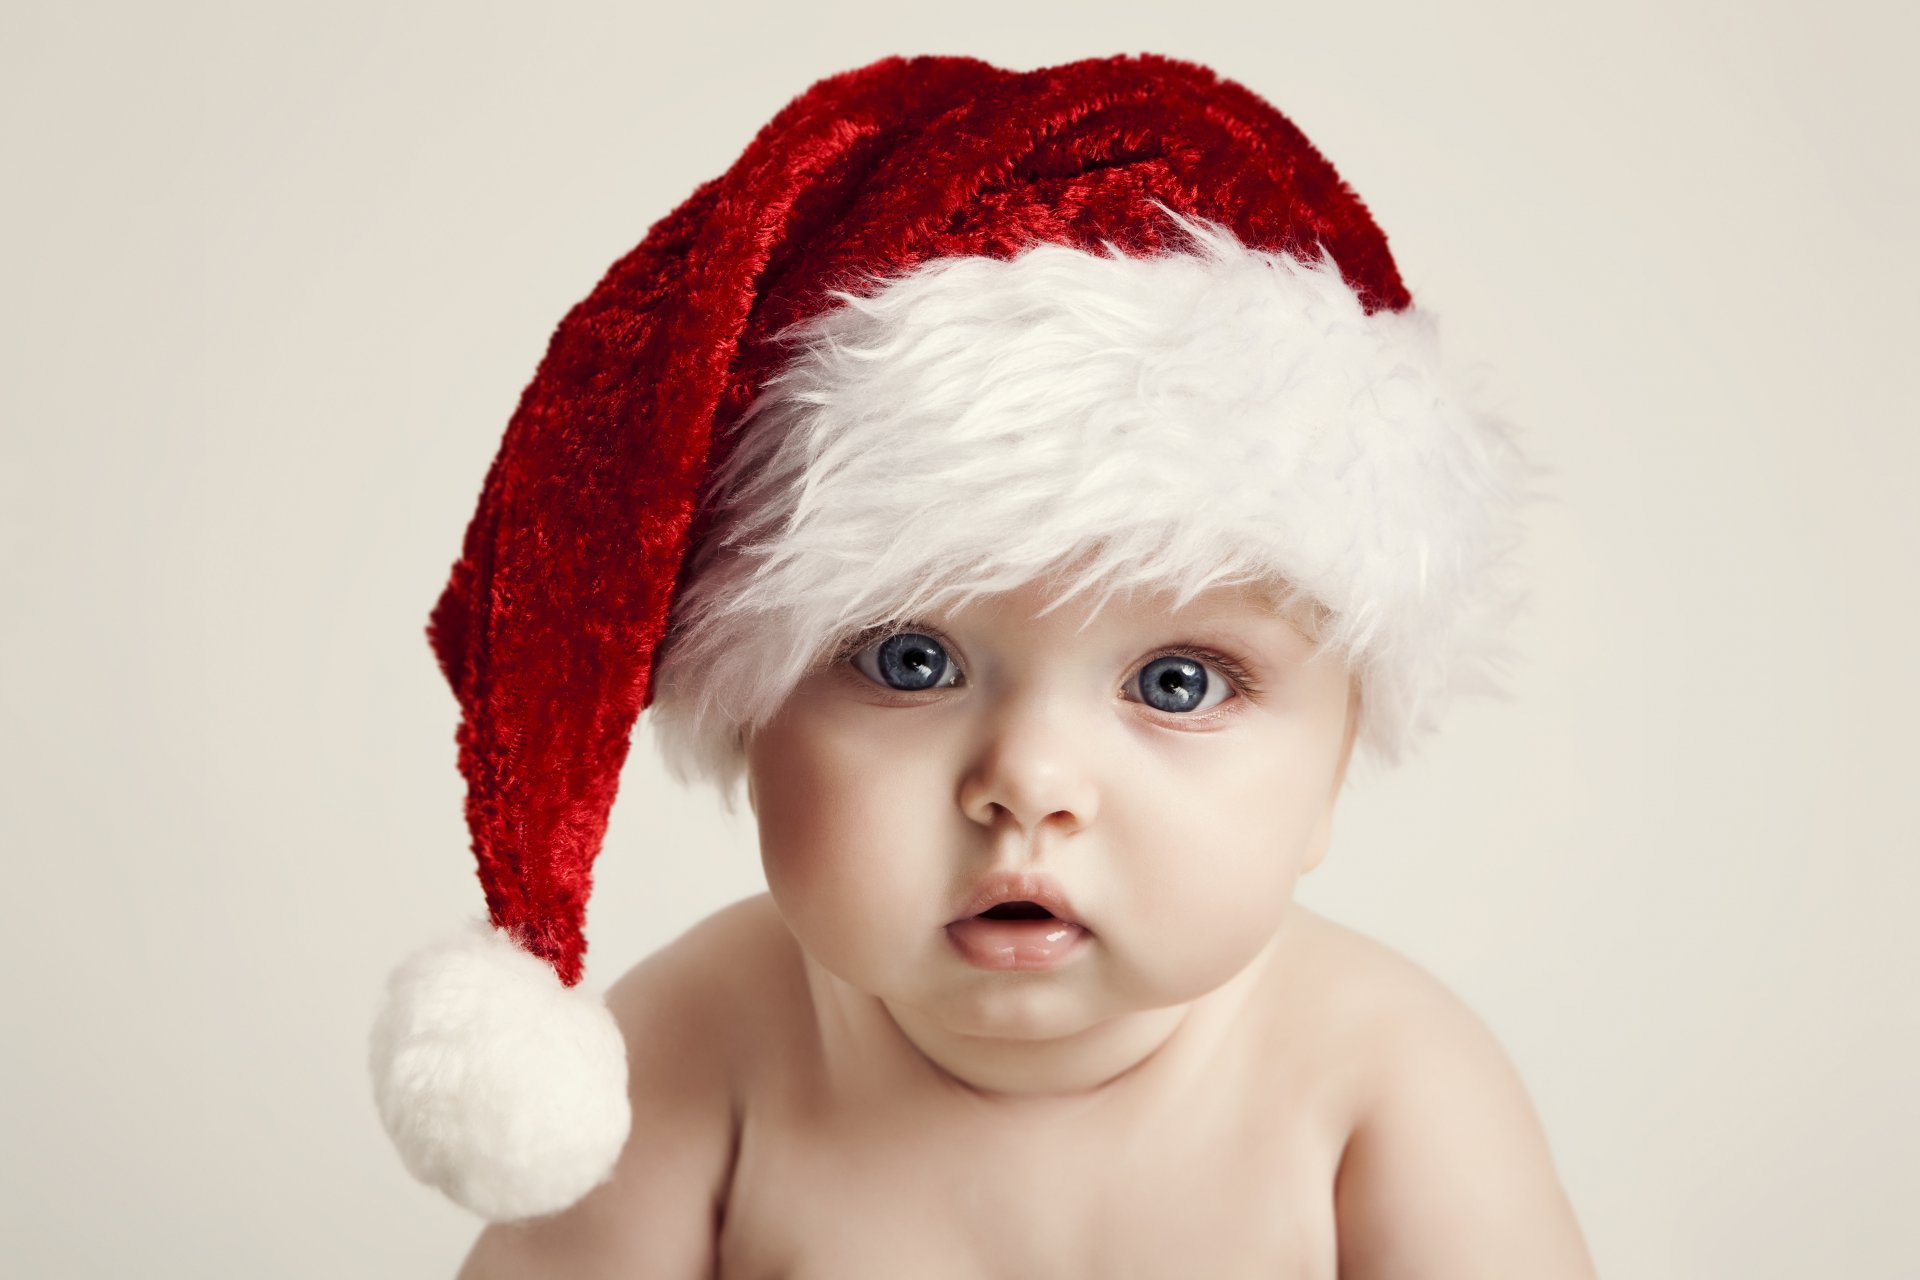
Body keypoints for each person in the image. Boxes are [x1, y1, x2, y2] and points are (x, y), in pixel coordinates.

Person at [371, 52, 1601, 1277]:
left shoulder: (1383, 1085)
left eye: (1178, 681)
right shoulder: (704, 1047)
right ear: (751, 716)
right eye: (912, 660)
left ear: (1333, 769)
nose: (1030, 778)